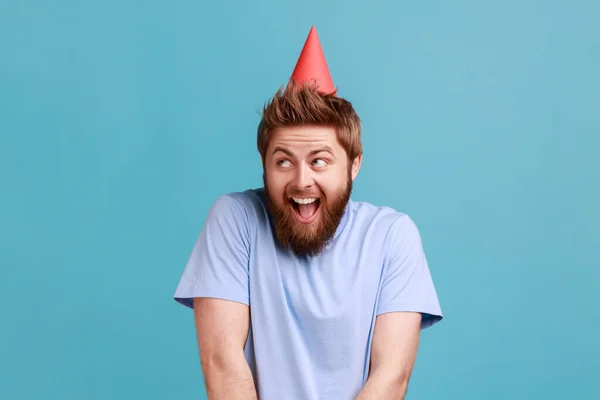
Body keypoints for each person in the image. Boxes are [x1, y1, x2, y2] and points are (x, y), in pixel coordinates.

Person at [174, 26, 443, 400]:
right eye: (284, 161)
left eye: (319, 161)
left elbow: (390, 376)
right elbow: (223, 363)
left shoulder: (391, 235)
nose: (302, 181)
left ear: (353, 165)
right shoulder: (235, 219)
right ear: (264, 166)